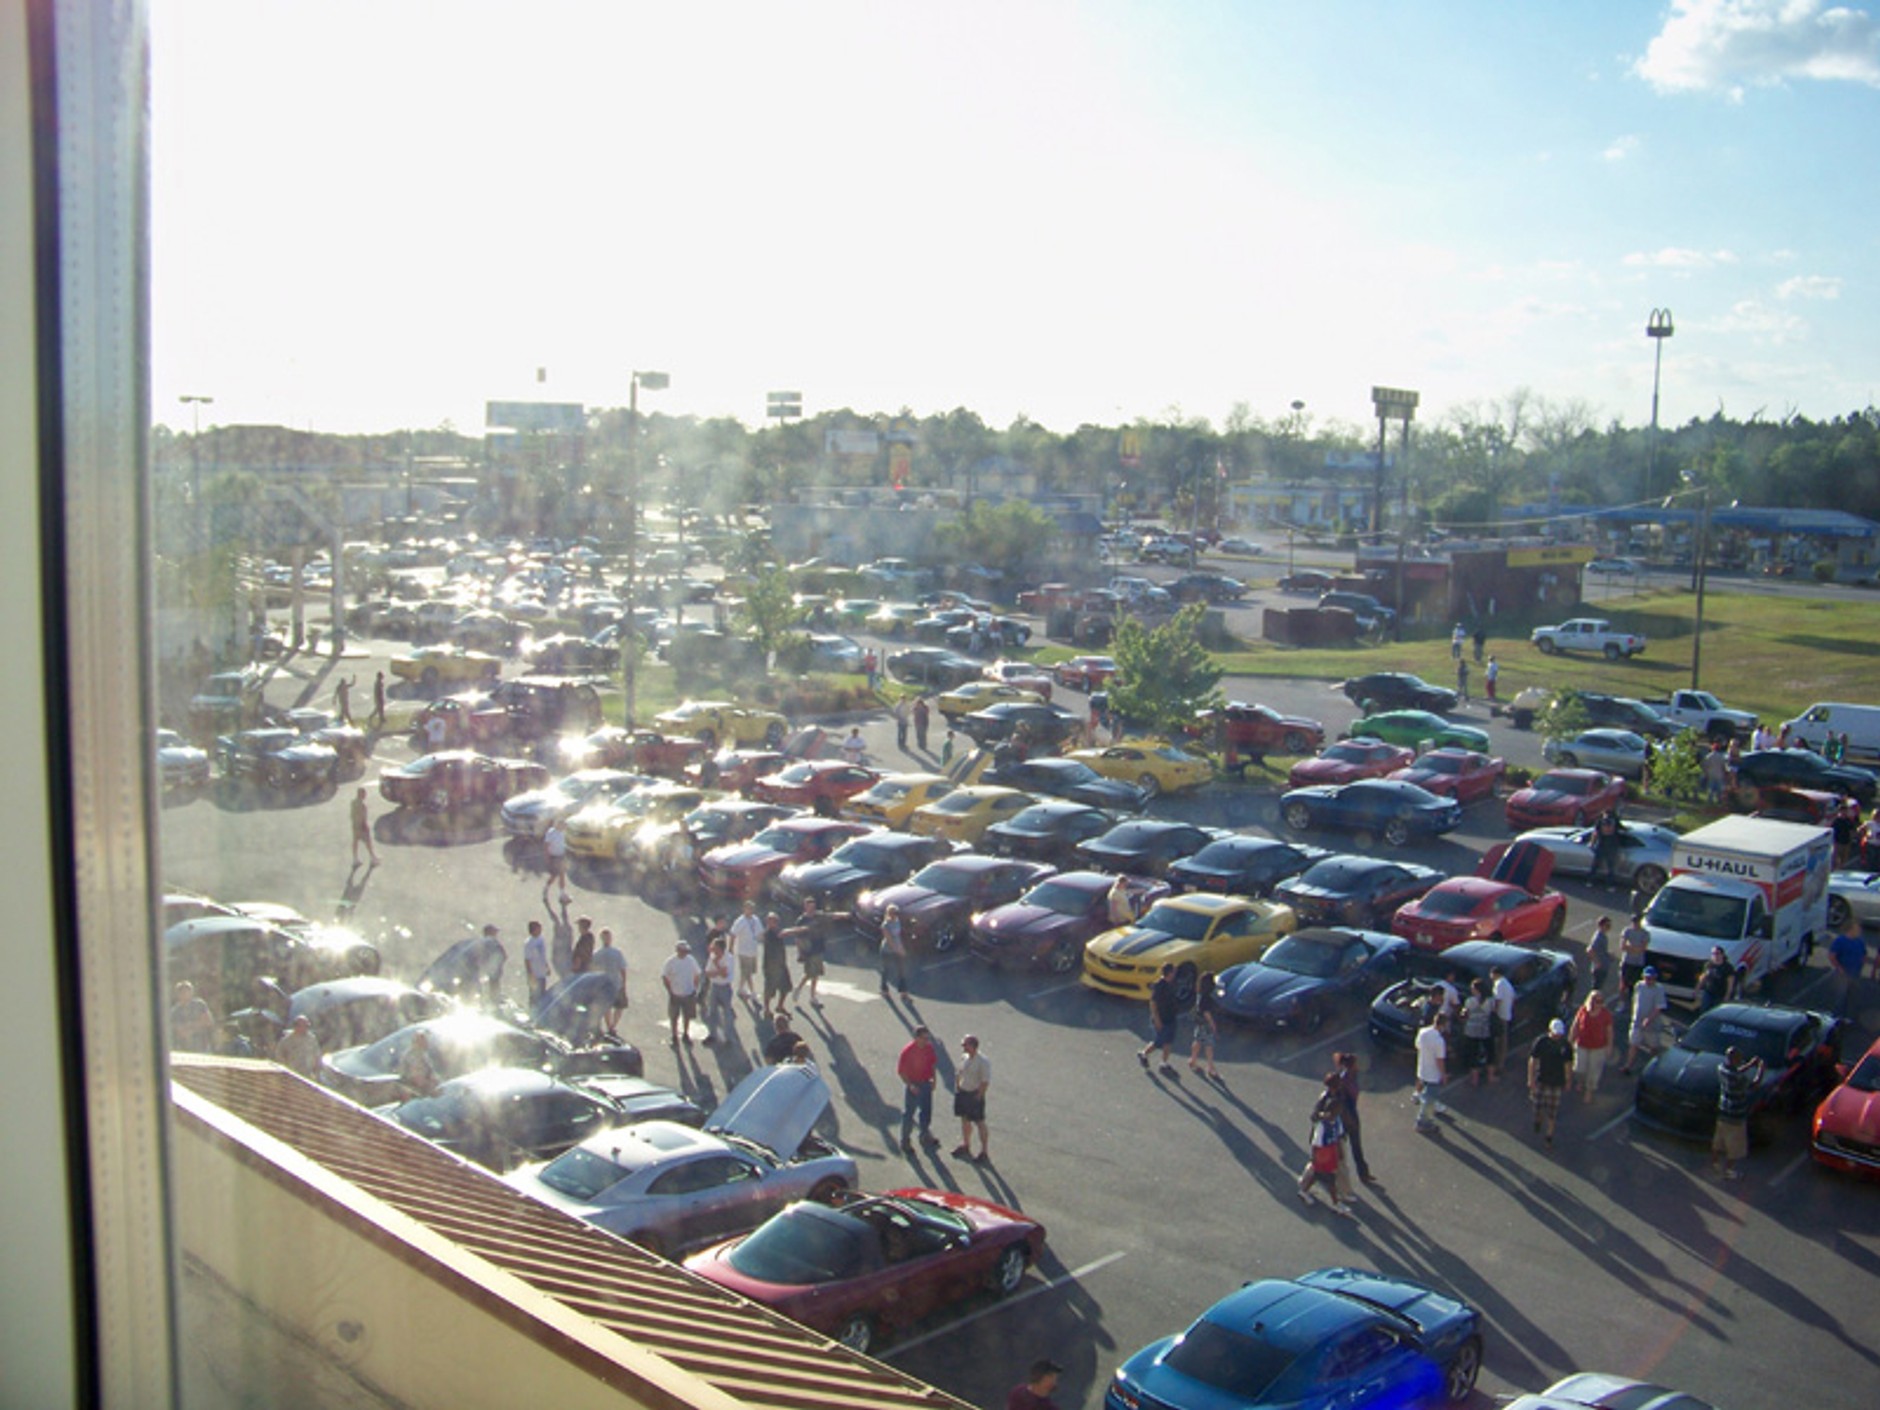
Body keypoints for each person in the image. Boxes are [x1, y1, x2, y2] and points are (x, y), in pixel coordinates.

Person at [1297, 1074, 1355, 1216]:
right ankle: (1337, 1202)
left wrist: (1339, 1150)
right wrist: (1318, 1156)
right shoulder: (1324, 1123)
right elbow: (1316, 1140)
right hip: (1323, 1151)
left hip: (1330, 1149)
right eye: (1336, 1111)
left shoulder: (1336, 1121)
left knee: (1320, 1174)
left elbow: (1338, 1134)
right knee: (1328, 1177)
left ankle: (1304, 1189)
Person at [1711, 1045, 1765, 1181]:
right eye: (1739, 1059)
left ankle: (1715, 1165)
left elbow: (1736, 1071)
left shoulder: (1721, 1068)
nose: (1741, 1061)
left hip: (1723, 1111)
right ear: (1735, 1059)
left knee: (1719, 1140)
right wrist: (1760, 1069)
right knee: (1734, 1147)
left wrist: (1749, 1065)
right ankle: (1728, 1171)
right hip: (1736, 1114)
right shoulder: (1739, 1077)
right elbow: (1754, 1084)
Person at [1332, 1051, 1380, 1186]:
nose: (1359, 1066)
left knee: (1356, 1147)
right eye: (1356, 1063)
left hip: (1351, 1115)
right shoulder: (1344, 1080)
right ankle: (1328, 1173)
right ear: (1351, 1065)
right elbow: (1340, 1101)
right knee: (1339, 1148)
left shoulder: (1351, 1075)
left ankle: (1364, 1174)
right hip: (1346, 1117)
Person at [1529, 1018, 1574, 1149]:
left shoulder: (1565, 1046)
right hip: (1541, 1080)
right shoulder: (1541, 1042)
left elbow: (1568, 1065)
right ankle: (1538, 1119)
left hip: (1556, 1083)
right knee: (1537, 1106)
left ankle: (1549, 1136)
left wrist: (1568, 1080)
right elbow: (1533, 1061)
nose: (1557, 1036)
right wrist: (1531, 1079)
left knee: (1552, 1111)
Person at [897, 1025, 942, 1153]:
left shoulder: (929, 1048)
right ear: (916, 1038)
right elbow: (901, 1072)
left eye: (928, 1038)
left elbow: (932, 1064)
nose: (926, 1041)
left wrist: (934, 1080)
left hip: (926, 1083)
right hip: (914, 1084)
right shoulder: (908, 1051)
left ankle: (924, 1134)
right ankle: (905, 1141)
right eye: (924, 1038)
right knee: (909, 1114)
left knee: (926, 1111)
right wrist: (910, 1085)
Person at [952, 1033, 992, 1162]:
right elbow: (959, 1072)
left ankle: (984, 1151)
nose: (963, 1046)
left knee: (979, 1122)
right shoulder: (965, 1057)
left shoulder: (983, 1062)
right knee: (964, 1119)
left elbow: (985, 1081)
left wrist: (979, 1095)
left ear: (973, 1046)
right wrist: (958, 1085)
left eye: (965, 1044)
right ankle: (966, 1144)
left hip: (974, 1094)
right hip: (963, 1092)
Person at [1568, 990, 1614, 1102]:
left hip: (1598, 1047)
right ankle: (1581, 1081)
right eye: (1596, 1001)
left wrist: (1609, 1046)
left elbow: (1609, 1031)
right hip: (1581, 1044)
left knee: (1594, 1071)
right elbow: (1576, 1025)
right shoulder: (1583, 1010)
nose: (1599, 1004)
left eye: (1601, 1001)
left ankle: (1589, 1091)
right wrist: (1570, 1040)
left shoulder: (1606, 1014)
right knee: (1579, 1068)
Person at [1622, 967, 1668, 1074]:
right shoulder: (1639, 986)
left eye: (1651, 978)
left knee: (1653, 1047)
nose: (1648, 980)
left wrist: (1649, 1019)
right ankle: (1628, 1065)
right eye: (1646, 978)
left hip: (1652, 1024)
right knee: (1634, 1044)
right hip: (1637, 1022)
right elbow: (1635, 1001)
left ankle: (1656, 1065)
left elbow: (1659, 1007)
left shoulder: (1659, 989)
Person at [1137, 963, 1181, 1072]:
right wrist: (1156, 1019)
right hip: (1162, 1018)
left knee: (1168, 1041)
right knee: (1159, 1041)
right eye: (1173, 972)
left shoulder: (1172, 983)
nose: (1175, 974)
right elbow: (1153, 1003)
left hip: (1171, 1017)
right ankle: (1144, 1054)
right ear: (1169, 973)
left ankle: (1164, 1063)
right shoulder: (1159, 986)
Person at [788, 897, 829, 1007]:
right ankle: (798, 989)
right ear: (805, 907)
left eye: (813, 906)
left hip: (818, 947)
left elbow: (829, 918)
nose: (812, 908)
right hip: (808, 950)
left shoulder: (818, 916)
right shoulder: (802, 920)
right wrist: (800, 952)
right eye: (809, 906)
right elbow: (797, 938)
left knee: (816, 974)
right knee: (809, 973)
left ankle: (812, 996)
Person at [661, 940, 702, 1045]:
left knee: (687, 1015)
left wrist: (694, 988)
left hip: (688, 993)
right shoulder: (671, 962)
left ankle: (685, 1033)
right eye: (683, 951)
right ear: (678, 950)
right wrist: (670, 990)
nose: (685, 953)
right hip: (675, 994)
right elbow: (664, 976)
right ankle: (674, 1035)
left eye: (686, 951)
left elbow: (697, 974)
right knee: (673, 1016)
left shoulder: (691, 960)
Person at [1414, 1011, 1448, 1132]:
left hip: (1422, 1069)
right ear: (1443, 1025)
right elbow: (1440, 1060)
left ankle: (1423, 1118)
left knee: (1426, 1095)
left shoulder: (1423, 1032)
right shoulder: (1439, 1041)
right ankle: (1422, 1122)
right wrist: (1443, 1074)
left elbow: (1417, 1045)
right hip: (1433, 1074)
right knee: (1429, 1099)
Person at [1829, 913, 1867, 1019]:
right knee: (1840, 997)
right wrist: (1840, 968)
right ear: (1851, 929)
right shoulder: (1840, 941)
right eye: (1857, 928)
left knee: (1853, 997)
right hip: (1843, 975)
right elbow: (1832, 956)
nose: (1859, 930)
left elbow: (1863, 954)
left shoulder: (1859, 941)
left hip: (1855, 974)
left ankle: (1849, 1018)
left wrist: (1862, 964)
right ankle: (1836, 1018)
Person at [592, 928, 628, 1036]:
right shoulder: (617, 953)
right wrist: (624, 983)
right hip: (616, 983)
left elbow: (593, 969)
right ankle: (613, 1026)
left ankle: (609, 1026)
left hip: (604, 984)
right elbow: (622, 969)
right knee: (619, 1007)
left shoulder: (597, 953)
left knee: (606, 1007)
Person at [1459, 977, 1494, 1086]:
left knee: (1473, 1054)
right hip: (1485, 1029)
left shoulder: (1470, 1001)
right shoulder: (1490, 1000)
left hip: (1471, 1029)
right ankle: (1491, 1076)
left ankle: (1474, 1079)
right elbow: (1493, 1012)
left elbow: (1464, 1014)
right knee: (1490, 1052)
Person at [760, 910, 794, 1018]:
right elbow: (780, 935)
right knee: (769, 989)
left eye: (774, 921)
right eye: (770, 921)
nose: (772, 923)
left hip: (781, 965)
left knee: (786, 987)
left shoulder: (777, 931)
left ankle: (780, 1006)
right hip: (771, 967)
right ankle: (766, 1009)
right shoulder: (768, 934)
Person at [701, 936, 735, 1046]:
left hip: (725, 987)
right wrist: (718, 971)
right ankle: (712, 1035)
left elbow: (725, 975)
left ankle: (728, 1037)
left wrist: (716, 964)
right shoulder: (712, 956)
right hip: (715, 986)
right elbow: (707, 973)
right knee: (712, 1011)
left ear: (721, 949)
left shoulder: (728, 958)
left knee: (727, 1013)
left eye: (714, 948)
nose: (712, 950)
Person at [729, 900, 764, 1004]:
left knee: (747, 972)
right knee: (747, 972)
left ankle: (740, 988)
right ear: (744, 909)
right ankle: (753, 992)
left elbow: (760, 933)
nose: (750, 910)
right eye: (748, 908)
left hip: (753, 951)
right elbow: (733, 934)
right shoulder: (740, 921)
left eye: (752, 908)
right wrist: (730, 948)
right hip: (743, 952)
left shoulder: (755, 920)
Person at [1188, 971, 1221, 1079]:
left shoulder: (1200, 994)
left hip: (1199, 1023)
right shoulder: (1207, 998)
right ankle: (1210, 1067)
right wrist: (1213, 1026)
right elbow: (1207, 1013)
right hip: (1206, 1025)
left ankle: (1193, 1060)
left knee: (1197, 1041)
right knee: (1209, 1045)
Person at [169, 980, 217, 1053]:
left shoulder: (200, 1005)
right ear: (178, 994)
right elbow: (178, 1030)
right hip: (184, 1047)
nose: (185, 994)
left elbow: (209, 1021)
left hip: (203, 1044)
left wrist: (191, 1026)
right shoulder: (175, 1011)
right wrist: (197, 1024)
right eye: (182, 992)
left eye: (187, 991)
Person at [273, 1014, 322, 1079]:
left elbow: (317, 1055)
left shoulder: (311, 1039)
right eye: (302, 1026)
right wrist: (285, 1066)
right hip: (292, 1074)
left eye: (306, 1026)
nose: (305, 1028)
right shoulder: (287, 1040)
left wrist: (316, 1072)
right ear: (296, 1026)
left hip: (307, 1074)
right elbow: (279, 1054)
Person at [1490, 964, 1516, 1078]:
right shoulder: (1507, 984)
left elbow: (1497, 1000)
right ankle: (1501, 1063)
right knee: (1503, 1039)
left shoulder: (1499, 984)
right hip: (1507, 1014)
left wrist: (1494, 1012)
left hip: (1500, 1015)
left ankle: (1498, 1064)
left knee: (1499, 1041)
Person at [879, 902, 909, 997]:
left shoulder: (897, 921)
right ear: (889, 913)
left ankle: (903, 991)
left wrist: (902, 947)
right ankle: (884, 989)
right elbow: (890, 940)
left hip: (898, 947)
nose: (896, 915)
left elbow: (898, 936)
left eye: (897, 913)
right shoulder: (885, 925)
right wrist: (899, 950)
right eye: (894, 913)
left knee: (901, 970)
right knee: (886, 970)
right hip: (887, 950)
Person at [1696, 945, 1737, 1013]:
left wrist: (1727, 996)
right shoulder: (1709, 965)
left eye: (1717, 953)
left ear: (1722, 955)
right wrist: (1697, 988)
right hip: (1708, 991)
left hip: (1720, 994)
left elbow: (1730, 984)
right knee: (1704, 1009)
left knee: (1715, 1011)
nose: (1715, 956)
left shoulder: (1728, 968)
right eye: (1713, 954)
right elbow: (1703, 977)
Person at [1619, 909, 1650, 995]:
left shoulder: (1645, 933)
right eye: (1634, 921)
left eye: (1637, 922)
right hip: (1627, 961)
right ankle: (1622, 1000)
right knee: (1623, 982)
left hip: (1638, 963)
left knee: (1635, 985)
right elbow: (1622, 946)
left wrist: (1630, 948)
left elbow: (1643, 948)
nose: (1635, 924)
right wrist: (1635, 949)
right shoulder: (1627, 931)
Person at [398, 1030, 439, 1095]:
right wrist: (434, 1089)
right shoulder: (413, 1056)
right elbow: (419, 1081)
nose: (427, 1042)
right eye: (424, 1040)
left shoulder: (422, 1054)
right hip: (419, 1097)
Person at [1590, 808, 1623, 888]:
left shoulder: (1600, 821)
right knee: (1611, 867)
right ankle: (1610, 885)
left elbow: (1595, 833)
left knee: (1595, 865)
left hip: (1601, 845)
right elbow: (1623, 829)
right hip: (1612, 846)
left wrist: (1592, 843)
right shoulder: (1615, 821)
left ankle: (1590, 882)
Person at [522, 920, 551, 1010]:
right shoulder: (529, 943)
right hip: (535, 974)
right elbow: (527, 960)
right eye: (538, 928)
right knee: (534, 996)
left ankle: (540, 1013)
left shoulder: (541, 939)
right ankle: (532, 1013)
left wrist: (547, 967)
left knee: (542, 995)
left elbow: (543, 955)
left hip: (541, 972)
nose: (540, 930)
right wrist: (531, 975)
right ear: (533, 930)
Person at [541, 819, 570, 903]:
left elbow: (564, 844)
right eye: (563, 825)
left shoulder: (563, 832)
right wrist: (547, 858)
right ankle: (546, 887)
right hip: (554, 857)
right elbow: (546, 846)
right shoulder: (551, 833)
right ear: (558, 825)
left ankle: (562, 895)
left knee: (562, 875)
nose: (564, 827)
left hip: (561, 856)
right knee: (554, 876)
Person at [350, 786, 378, 866]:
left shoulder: (353, 803)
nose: (365, 795)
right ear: (361, 794)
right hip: (362, 826)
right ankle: (373, 858)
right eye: (364, 794)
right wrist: (365, 826)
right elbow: (363, 817)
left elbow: (352, 815)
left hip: (355, 826)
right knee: (368, 842)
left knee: (355, 842)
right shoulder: (363, 806)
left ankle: (355, 859)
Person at [1586, 915, 1613, 996]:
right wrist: (1597, 962)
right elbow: (1590, 950)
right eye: (1607, 925)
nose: (1609, 927)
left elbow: (1601, 951)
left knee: (1598, 988)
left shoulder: (1603, 936)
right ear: (1601, 925)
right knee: (1596, 989)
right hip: (1599, 968)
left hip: (1603, 967)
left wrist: (1608, 955)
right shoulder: (1598, 937)